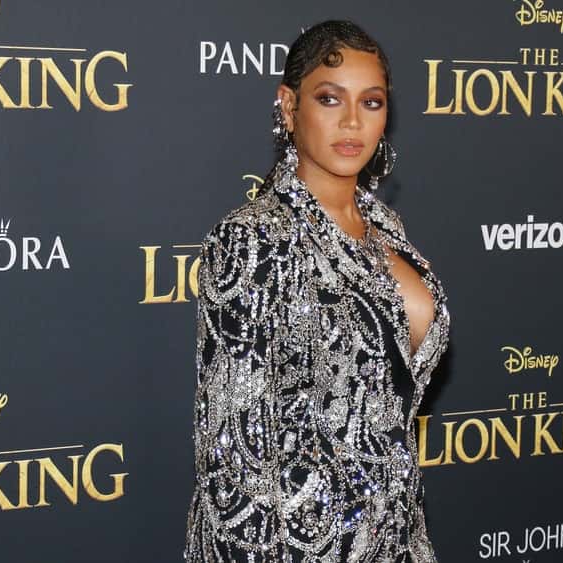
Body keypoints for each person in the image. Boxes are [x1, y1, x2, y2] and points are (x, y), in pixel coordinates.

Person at [184, 20, 450, 562]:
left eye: (371, 102)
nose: (352, 121)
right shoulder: (253, 240)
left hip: (396, 540)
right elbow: (232, 463)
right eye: (330, 99)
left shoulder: (386, 228)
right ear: (288, 107)